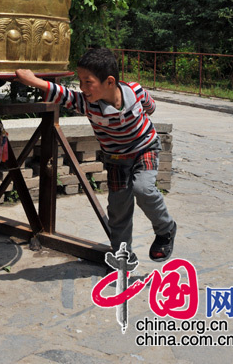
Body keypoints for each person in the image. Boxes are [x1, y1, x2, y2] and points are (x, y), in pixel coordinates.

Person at [15, 47, 177, 263]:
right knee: (118, 208)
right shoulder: (87, 103)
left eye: (87, 82)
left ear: (110, 82)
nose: (82, 88)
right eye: (80, 81)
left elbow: (150, 106)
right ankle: (122, 255)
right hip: (117, 159)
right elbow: (62, 94)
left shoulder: (136, 91)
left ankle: (165, 230)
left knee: (143, 188)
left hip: (144, 148)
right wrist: (32, 80)